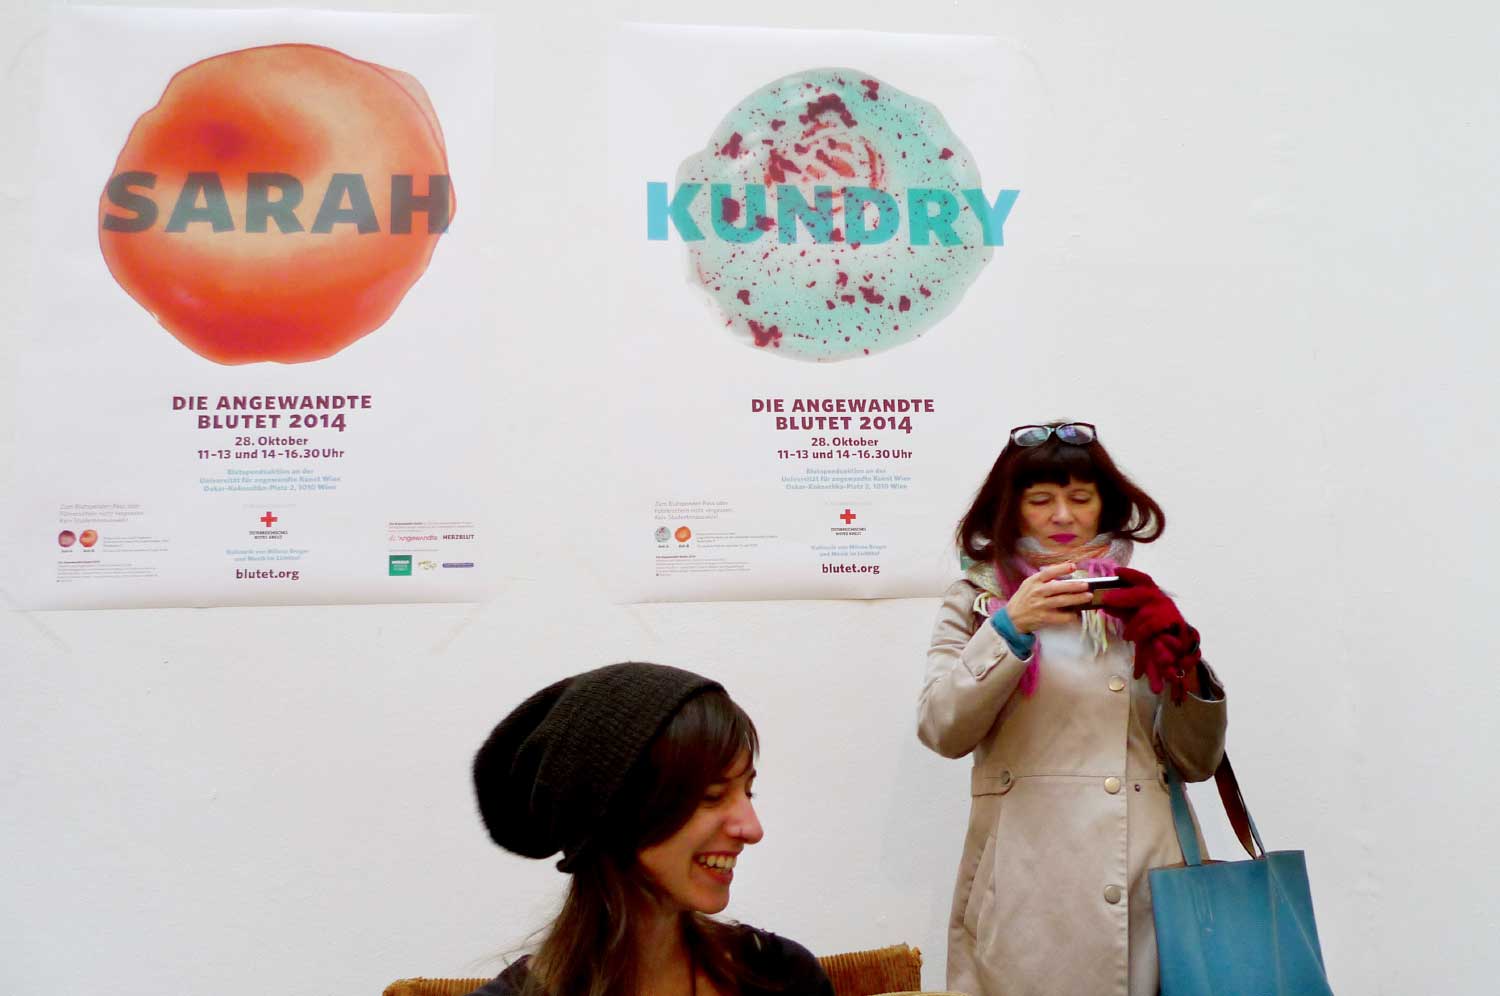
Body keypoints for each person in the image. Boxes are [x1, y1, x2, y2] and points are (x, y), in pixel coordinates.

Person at [916, 421, 1228, 996]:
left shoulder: (1140, 599)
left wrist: (1184, 661)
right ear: (1011, 509)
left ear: (1105, 505)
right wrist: (1010, 626)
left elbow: (1196, 761)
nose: (1063, 516)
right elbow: (941, 727)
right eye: (1040, 500)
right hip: (1027, 890)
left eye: (1080, 498)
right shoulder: (977, 600)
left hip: (1149, 884)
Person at [467, 661, 834, 996]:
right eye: (711, 796)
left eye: (747, 792)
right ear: (616, 814)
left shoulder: (782, 976)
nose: (752, 829)